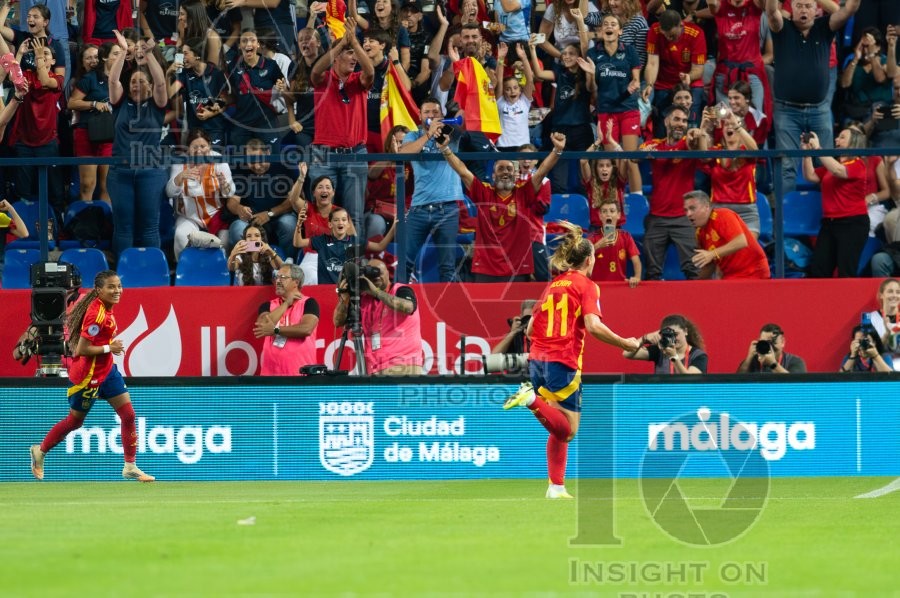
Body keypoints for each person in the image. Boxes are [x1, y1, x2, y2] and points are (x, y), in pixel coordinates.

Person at [502, 222, 640, 499]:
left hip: (537, 360)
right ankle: (529, 400)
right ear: (590, 260)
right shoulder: (587, 286)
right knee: (569, 430)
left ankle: (556, 487)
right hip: (562, 360)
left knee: (557, 424)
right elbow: (593, 326)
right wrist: (626, 342)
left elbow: (529, 329)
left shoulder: (554, 284)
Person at [29, 270, 155, 482]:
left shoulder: (106, 308)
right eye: (111, 287)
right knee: (75, 422)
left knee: (129, 415)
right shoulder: (96, 315)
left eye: (119, 286)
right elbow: (81, 350)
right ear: (99, 290)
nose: (117, 291)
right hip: (88, 376)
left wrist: (108, 351)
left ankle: (130, 466)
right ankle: (39, 451)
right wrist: (109, 348)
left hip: (107, 371)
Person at [437, 132, 565, 282]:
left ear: (516, 175)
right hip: (486, 266)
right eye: (501, 168)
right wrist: (445, 149)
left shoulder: (524, 193)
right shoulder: (483, 192)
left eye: (509, 169)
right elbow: (463, 171)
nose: (505, 172)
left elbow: (542, 170)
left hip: (517, 266)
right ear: (492, 176)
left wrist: (557, 150)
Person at [765, 0, 859, 193]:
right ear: (792, 8)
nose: (803, 10)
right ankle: (785, 216)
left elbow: (849, 9)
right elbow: (771, 11)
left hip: (819, 108)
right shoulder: (782, 28)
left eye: (808, 5)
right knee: (786, 165)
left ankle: (828, 213)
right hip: (786, 110)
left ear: (816, 10)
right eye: (799, 5)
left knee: (825, 162)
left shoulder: (824, 27)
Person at [309, 17, 374, 238]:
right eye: (349, 54)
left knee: (353, 216)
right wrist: (339, 44)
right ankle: (320, 265)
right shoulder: (323, 79)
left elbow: (371, 73)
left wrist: (353, 42)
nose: (354, 58)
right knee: (321, 214)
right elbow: (315, 70)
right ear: (336, 57)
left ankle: (353, 267)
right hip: (323, 155)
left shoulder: (360, 81)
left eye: (355, 54)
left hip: (354, 154)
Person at [108, 30, 169, 258]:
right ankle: (123, 273)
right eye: (133, 82)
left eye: (141, 81)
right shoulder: (119, 104)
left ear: (150, 86)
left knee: (149, 226)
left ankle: (152, 272)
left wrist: (148, 54)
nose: (135, 85)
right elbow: (113, 80)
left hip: (150, 172)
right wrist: (125, 52)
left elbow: (162, 82)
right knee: (123, 227)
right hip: (120, 172)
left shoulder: (157, 105)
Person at [638, 105, 708, 279]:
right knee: (652, 273)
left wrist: (697, 133)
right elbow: (635, 156)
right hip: (657, 219)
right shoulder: (654, 145)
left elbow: (699, 148)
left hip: (684, 219)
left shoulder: (688, 143)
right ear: (666, 121)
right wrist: (642, 153)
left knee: (695, 271)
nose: (681, 124)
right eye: (676, 119)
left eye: (684, 121)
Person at [399, 96, 464, 283]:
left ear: (442, 114)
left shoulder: (451, 131)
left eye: (435, 111)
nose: (431, 115)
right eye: (427, 112)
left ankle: (449, 309)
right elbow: (403, 154)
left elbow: (465, 124)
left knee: (447, 266)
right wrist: (428, 134)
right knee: (404, 262)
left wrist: (454, 114)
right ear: (419, 115)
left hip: (448, 208)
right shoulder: (412, 135)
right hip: (418, 208)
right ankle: (398, 305)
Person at [333, 258, 424, 376]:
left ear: (388, 273)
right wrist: (345, 299)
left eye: (379, 272)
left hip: (403, 365)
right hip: (375, 368)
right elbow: (337, 321)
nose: (376, 277)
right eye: (371, 275)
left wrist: (375, 291)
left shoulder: (401, 290)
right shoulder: (364, 299)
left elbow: (408, 307)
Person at [801, 129, 869, 278]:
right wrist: (806, 153)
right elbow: (810, 176)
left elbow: (839, 171)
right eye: (838, 137)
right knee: (819, 270)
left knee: (846, 271)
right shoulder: (831, 165)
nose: (837, 140)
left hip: (852, 223)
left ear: (853, 143)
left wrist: (818, 149)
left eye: (842, 138)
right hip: (830, 223)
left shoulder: (858, 164)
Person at [166, 128, 236, 258]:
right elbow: (170, 193)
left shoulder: (218, 160)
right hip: (189, 216)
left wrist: (225, 185)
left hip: (216, 215)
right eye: (194, 147)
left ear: (209, 145)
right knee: (181, 235)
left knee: (224, 243)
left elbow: (230, 192)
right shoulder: (181, 162)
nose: (199, 151)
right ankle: (186, 270)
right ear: (188, 149)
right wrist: (179, 178)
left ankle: (220, 273)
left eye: (203, 146)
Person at [684, 190, 770, 279]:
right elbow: (709, 265)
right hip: (730, 276)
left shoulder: (723, 215)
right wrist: (693, 285)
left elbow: (741, 242)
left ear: (706, 207)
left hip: (754, 271)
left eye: (692, 208)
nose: (688, 214)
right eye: (686, 210)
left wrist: (712, 254)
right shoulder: (699, 232)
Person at [253, 264, 320, 376]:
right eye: (277, 277)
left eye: (283, 277)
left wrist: (275, 330)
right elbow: (262, 325)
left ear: (296, 282)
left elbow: (306, 329)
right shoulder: (268, 305)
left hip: (301, 375)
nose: (278, 281)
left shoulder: (309, 303)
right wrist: (286, 303)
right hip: (271, 375)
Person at [624, 314, 708, 374]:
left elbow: (691, 381)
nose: (673, 338)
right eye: (669, 335)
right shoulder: (660, 350)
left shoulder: (698, 355)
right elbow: (627, 354)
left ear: (685, 331)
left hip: (687, 398)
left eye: (676, 334)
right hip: (663, 397)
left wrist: (674, 357)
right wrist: (644, 339)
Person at [588, 198, 642, 285]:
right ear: (600, 216)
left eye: (612, 211)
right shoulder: (592, 238)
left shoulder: (626, 236)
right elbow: (581, 260)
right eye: (604, 211)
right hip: (597, 286)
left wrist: (637, 277)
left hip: (619, 285)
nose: (608, 214)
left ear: (618, 215)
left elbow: (636, 261)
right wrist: (597, 246)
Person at [737, 323, 807, 373]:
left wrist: (773, 364)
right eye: (765, 342)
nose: (770, 347)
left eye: (772, 342)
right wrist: (749, 357)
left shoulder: (795, 361)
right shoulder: (754, 361)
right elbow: (737, 381)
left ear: (782, 342)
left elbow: (796, 384)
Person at [863, 277, 900, 371]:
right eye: (890, 291)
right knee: (886, 357)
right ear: (881, 295)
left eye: (898, 292)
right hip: (880, 363)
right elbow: (868, 351)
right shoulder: (870, 318)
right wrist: (886, 334)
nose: (894, 295)